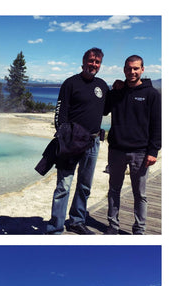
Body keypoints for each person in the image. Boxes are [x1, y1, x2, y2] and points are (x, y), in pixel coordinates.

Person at [46, 48, 109, 235]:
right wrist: (63, 138)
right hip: (72, 142)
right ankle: (55, 227)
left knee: (84, 185)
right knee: (63, 186)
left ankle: (77, 221)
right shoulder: (70, 83)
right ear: (83, 62)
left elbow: (106, 110)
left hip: (93, 142)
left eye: (97, 62)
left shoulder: (103, 86)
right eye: (91, 61)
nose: (94, 65)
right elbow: (60, 113)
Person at [104, 55, 161, 235]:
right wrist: (112, 89)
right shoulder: (117, 92)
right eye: (129, 68)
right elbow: (103, 109)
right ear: (124, 70)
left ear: (142, 70)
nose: (132, 72)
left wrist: (153, 151)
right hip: (116, 151)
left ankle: (139, 230)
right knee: (114, 190)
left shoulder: (151, 94)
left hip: (141, 152)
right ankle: (113, 227)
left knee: (140, 195)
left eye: (136, 68)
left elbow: (157, 124)